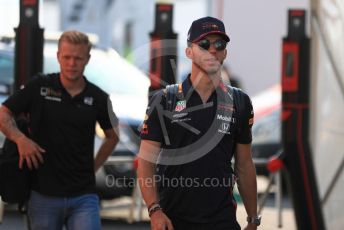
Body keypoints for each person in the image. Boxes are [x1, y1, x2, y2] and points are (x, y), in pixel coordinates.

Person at [137, 16, 260, 230]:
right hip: (173, 222)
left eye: (219, 44)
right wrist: (154, 210)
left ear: (225, 53)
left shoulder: (240, 101)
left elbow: (244, 165)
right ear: (189, 51)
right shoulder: (165, 99)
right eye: (204, 44)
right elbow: (146, 162)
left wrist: (252, 218)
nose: (212, 49)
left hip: (222, 222)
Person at [0, 30, 119, 230]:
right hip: (43, 194)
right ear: (58, 57)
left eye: (78, 58)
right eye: (67, 57)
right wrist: (21, 140)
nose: (72, 63)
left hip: (84, 195)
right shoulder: (39, 87)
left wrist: (93, 167)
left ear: (87, 59)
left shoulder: (99, 97)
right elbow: (4, 113)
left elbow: (113, 136)